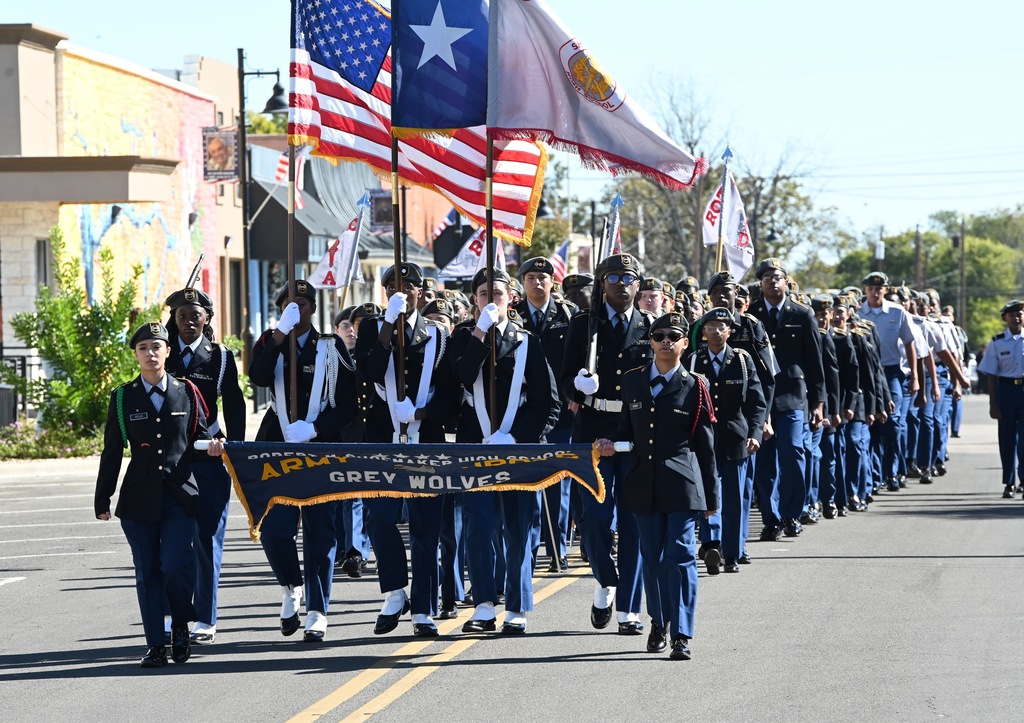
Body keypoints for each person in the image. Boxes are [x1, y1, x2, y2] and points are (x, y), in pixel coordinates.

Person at [596, 312, 718, 660]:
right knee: (651, 557)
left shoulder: (696, 386)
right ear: (649, 342)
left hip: (681, 482)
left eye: (674, 336)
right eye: (659, 335)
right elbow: (626, 430)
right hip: (641, 483)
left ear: (684, 343)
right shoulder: (633, 381)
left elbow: (705, 445)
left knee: (680, 555)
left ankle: (681, 633)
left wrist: (711, 497)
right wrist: (610, 442)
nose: (666, 341)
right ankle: (658, 621)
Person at [449, 267, 561, 635]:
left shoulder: (527, 341)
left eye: (496, 293)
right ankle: (482, 604)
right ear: (474, 299)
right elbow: (462, 376)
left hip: (517, 450)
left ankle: (516, 606)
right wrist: (480, 331)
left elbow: (548, 402)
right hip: (475, 450)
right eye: (482, 293)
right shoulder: (463, 337)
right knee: (479, 529)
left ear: (510, 297)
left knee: (517, 529)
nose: (490, 299)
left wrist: (519, 437)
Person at [94, 322, 212, 668]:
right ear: (136, 354)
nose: (150, 353)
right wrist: (103, 498)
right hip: (138, 497)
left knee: (176, 564)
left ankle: (179, 626)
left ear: (168, 351)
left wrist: (214, 448)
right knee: (148, 572)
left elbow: (199, 439)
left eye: (156, 347)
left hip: (179, 494)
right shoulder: (122, 397)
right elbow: (112, 451)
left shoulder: (187, 391)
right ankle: (155, 644)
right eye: (143, 347)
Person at [247, 280, 360, 642]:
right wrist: (280, 334)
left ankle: (317, 610)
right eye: (288, 304)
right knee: (276, 528)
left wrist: (314, 428)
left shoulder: (331, 347)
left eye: (303, 304)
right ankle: (290, 587)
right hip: (277, 446)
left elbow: (347, 404)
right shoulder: (270, 341)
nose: (296, 310)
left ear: (312, 308)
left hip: (319, 446)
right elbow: (259, 378)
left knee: (320, 531)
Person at [353, 262, 458, 638]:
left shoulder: (437, 335)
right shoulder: (370, 328)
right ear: (385, 294)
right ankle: (395, 592)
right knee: (380, 518)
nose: (403, 291)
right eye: (394, 286)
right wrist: (387, 328)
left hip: (425, 441)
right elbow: (365, 371)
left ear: (420, 291)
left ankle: (424, 609)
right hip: (382, 438)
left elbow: (451, 394)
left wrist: (421, 412)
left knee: (425, 528)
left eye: (409, 286)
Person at [561, 253, 653, 634]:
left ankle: (629, 608)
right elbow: (563, 378)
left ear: (638, 284)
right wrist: (578, 388)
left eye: (628, 277)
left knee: (632, 522)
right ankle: (605, 581)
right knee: (594, 519)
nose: (621, 283)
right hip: (593, 428)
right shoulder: (584, 325)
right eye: (612, 276)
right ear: (601, 284)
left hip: (632, 432)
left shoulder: (650, 327)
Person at [164, 287, 246, 646]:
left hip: (210, 455)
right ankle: (175, 614)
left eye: (194, 315)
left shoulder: (220, 357)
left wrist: (236, 449)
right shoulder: (163, 354)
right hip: (173, 459)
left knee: (208, 538)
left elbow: (236, 404)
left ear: (207, 319)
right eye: (181, 316)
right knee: (173, 541)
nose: (187, 322)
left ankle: (206, 619)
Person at [747, 259, 825, 540]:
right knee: (765, 461)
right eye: (766, 277)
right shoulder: (752, 315)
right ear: (760, 283)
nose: (771, 281)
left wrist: (818, 403)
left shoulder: (803, 314)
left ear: (786, 281)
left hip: (793, 396)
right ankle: (772, 519)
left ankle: (793, 514)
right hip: (760, 398)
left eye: (776, 277)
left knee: (793, 453)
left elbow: (816, 363)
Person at [686, 307, 766, 573]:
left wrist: (755, 434)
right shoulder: (695, 361)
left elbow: (756, 403)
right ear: (703, 331)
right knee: (708, 495)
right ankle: (711, 546)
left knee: (733, 500)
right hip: (703, 439)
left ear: (730, 332)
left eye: (722, 327)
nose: (717, 331)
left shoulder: (743, 361)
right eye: (711, 327)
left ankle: (732, 553)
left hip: (735, 439)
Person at [515, 256, 577, 573]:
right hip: (521, 412)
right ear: (522, 282)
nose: (537, 282)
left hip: (561, 412)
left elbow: (580, 360)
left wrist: (575, 394)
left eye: (543, 277)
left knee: (557, 482)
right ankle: (529, 548)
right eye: (531, 277)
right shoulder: (513, 315)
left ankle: (558, 549)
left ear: (553, 281)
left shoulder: (568, 315)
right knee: (526, 483)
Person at [859, 272, 919, 492]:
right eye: (871, 288)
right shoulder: (857, 313)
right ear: (865, 289)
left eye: (879, 288)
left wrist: (914, 376)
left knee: (892, 423)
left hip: (891, 371)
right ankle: (874, 477)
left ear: (886, 289)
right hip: (866, 374)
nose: (875, 292)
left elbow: (910, 343)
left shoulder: (897, 311)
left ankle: (892, 472)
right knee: (870, 423)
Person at [978, 300, 1024, 499]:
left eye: (1020, 313)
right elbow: (991, 375)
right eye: (1012, 314)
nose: (1017, 317)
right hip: (1005, 391)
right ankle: (1009, 482)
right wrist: (993, 403)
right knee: (1007, 440)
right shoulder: (997, 343)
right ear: (1005, 318)